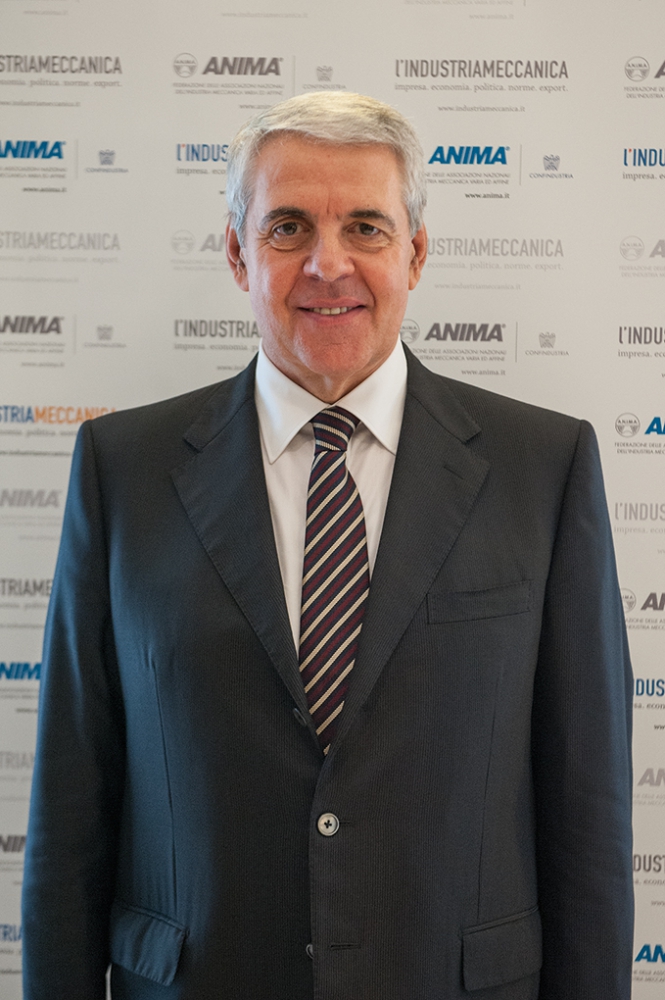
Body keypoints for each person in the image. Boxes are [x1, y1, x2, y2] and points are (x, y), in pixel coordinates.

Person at [22, 92, 633, 1000]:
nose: (328, 263)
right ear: (238, 254)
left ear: (414, 252)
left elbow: (587, 818)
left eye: (365, 227)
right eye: (288, 227)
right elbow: (71, 811)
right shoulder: (124, 470)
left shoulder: (543, 469)